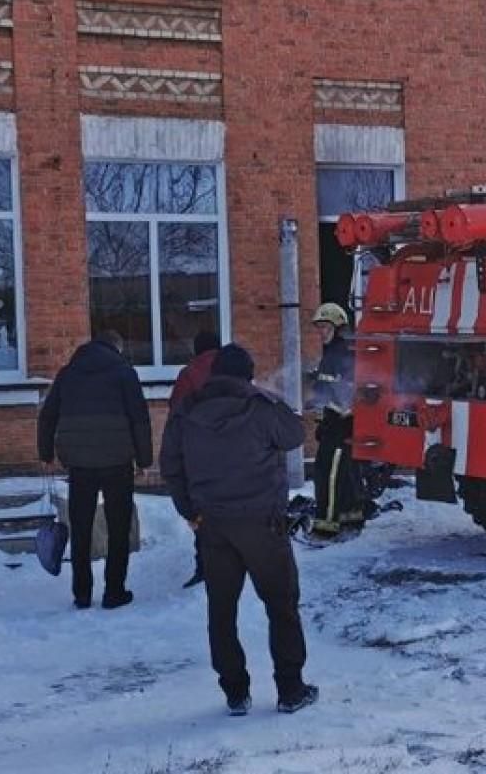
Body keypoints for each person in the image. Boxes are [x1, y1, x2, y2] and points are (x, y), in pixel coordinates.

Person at [160, 344, 318, 716]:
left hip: (213, 525)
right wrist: (274, 398)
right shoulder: (260, 408)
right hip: (264, 524)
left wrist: (189, 511)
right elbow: (295, 434)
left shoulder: (187, 411)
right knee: (281, 606)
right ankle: (290, 689)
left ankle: (235, 692)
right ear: (248, 375)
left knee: (221, 610)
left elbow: (171, 466)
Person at [38, 330, 152, 611]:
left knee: (81, 528)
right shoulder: (124, 373)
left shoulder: (68, 374)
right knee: (119, 528)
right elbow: (139, 418)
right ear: (117, 348)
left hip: (80, 464)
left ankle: (82, 593)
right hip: (118, 462)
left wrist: (46, 454)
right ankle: (114, 591)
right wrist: (144, 460)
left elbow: (47, 415)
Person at [168, 330, 222, 589]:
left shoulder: (188, 374)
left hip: (198, 453)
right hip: (234, 452)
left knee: (202, 510)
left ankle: (205, 565)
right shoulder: (232, 369)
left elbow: (176, 413)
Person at [307, 302, 364, 536]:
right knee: (345, 472)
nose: (320, 332)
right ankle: (351, 516)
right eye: (319, 327)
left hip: (340, 424)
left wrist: (328, 411)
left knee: (328, 474)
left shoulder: (340, 354)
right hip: (336, 423)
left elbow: (343, 394)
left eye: (324, 327)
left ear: (337, 327)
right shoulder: (335, 352)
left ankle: (326, 524)